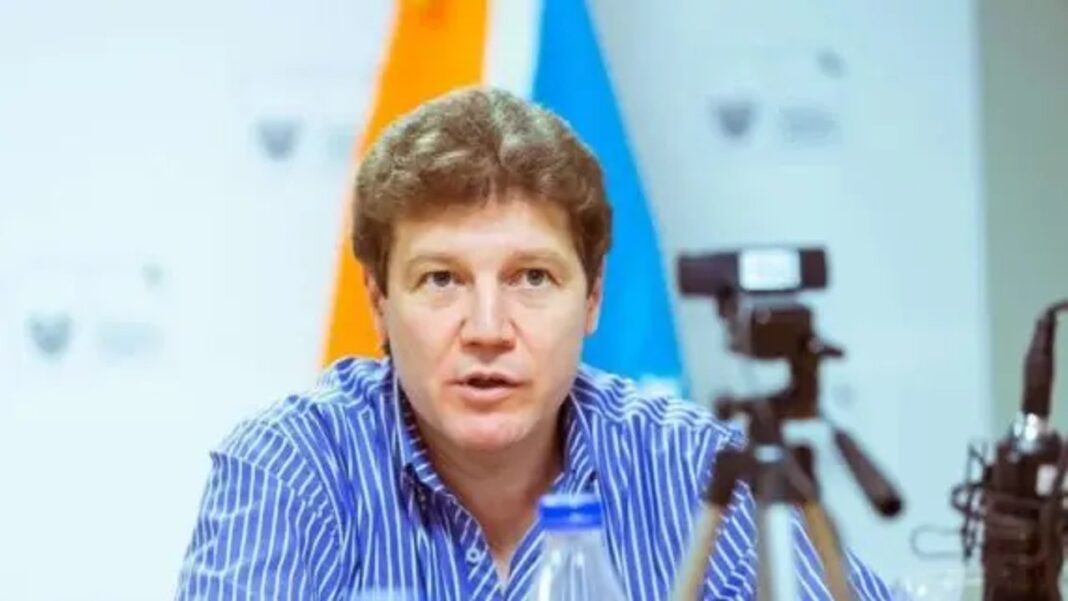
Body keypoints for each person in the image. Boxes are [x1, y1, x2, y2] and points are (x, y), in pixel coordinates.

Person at [175, 87, 892, 600]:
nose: (488, 329)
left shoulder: (689, 463)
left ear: (592, 298)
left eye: (532, 277)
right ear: (378, 302)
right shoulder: (292, 467)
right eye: (441, 280)